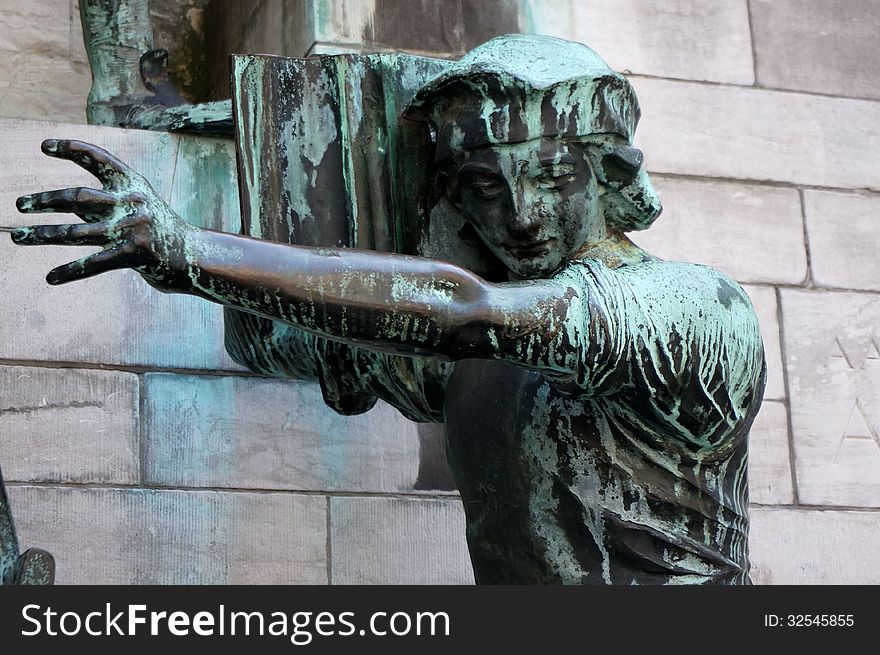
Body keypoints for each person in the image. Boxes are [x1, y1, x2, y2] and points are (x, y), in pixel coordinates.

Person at [11, 35, 765, 584]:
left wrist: (194, 250)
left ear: (609, 172)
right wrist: (184, 271)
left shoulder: (694, 309)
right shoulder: (470, 370)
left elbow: (458, 306)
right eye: (484, 186)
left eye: (551, 176)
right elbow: (324, 334)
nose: (521, 214)